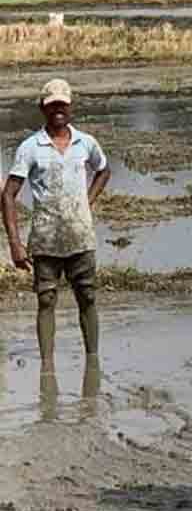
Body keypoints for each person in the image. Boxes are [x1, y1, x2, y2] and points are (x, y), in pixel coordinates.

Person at [2, 78, 110, 374]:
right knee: (46, 299)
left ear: (70, 106)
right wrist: (15, 243)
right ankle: (47, 368)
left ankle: (93, 363)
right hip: (46, 238)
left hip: (81, 236)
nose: (58, 110)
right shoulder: (30, 147)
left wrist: (88, 201)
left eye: (63, 104)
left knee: (87, 296)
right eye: (52, 105)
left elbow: (103, 170)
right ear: (43, 108)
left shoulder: (86, 143)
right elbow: (8, 195)